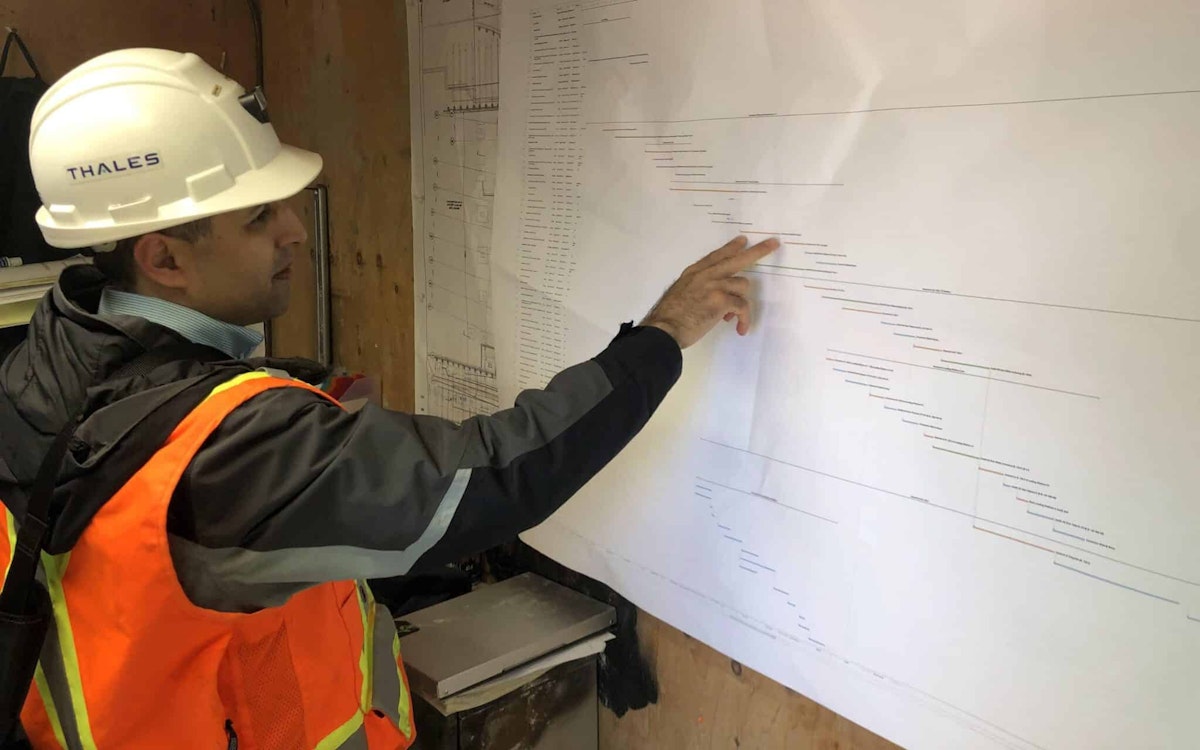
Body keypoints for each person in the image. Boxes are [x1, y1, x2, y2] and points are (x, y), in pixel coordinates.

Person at [0, 49, 778, 749]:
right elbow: (495, 473)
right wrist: (664, 332)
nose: (296, 231)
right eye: (259, 215)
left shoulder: (51, 352)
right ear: (162, 257)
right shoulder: (224, 447)